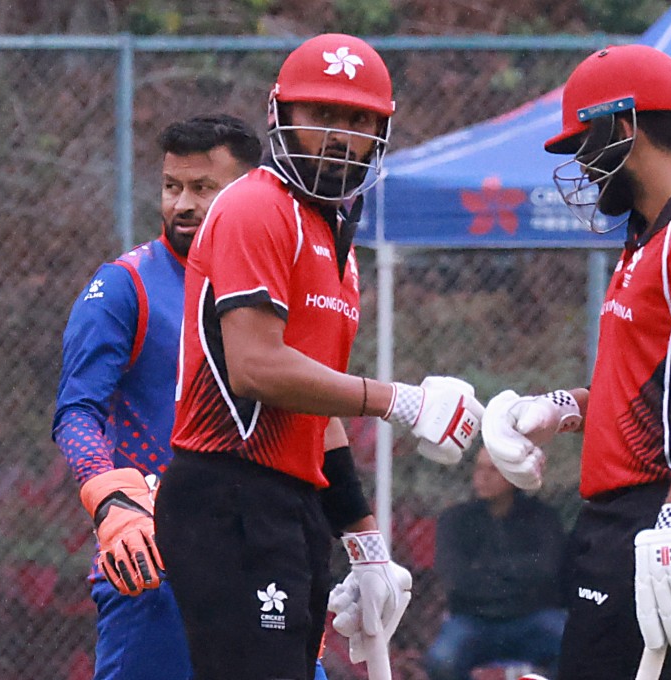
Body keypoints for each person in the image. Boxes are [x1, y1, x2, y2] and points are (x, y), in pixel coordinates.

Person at [153, 33, 484, 680]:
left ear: (380, 131)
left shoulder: (333, 236)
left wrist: (361, 538)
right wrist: (400, 400)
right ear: (280, 116)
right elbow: (257, 369)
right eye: (321, 114)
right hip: (228, 491)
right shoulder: (256, 205)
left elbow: (315, 404)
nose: (339, 135)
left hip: (288, 500)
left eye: (357, 120)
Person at [481, 44, 671, 680]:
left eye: (584, 143)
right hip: (633, 515)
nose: (583, 165)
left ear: (622, 127)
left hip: (670, 508)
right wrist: (555, 409)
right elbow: (654, 388)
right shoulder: (651, 235)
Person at [52, 114, 262, 679]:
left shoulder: (275, 289)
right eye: (173, 187)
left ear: (249, 192)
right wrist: (114, 505)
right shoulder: (125, 286)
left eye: (202, 188)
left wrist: (355, 539)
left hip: (265, 564)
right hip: (155, 565)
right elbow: (76, 413)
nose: (182, 204)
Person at [423, 447, 566, 680]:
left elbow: (546, 572)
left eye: (493, 469)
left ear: (513, 474)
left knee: (576, 648)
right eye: (479, 468)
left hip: (532, 618)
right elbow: (456, 581)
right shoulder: (456, 520)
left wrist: (485, 573)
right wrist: (515, 576)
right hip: (473, 620)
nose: (483, 476)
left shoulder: (542, 519)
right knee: (442, 660)